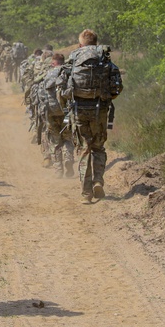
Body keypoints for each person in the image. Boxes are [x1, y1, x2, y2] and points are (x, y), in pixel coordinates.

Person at [58, 29, 122, 203]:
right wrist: (107, 98)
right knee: (98, 147)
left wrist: (67, 102)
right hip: (100, 110)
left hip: (79, 110)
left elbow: (61, 85)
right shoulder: (104, 58)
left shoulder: (73, 58)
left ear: (80, 44)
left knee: (84, 149)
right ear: (96, 43)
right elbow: (117, 86)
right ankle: (98, 181)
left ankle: (86, 194)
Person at [42, 53, 74, 177]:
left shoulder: (48, 74)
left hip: (51, 113)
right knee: (67, 138)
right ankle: (68, 159)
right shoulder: (68, 73)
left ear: (54, 62)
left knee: (55, 141)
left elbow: (41, 95)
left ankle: (58, 170)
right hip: (66, 113)